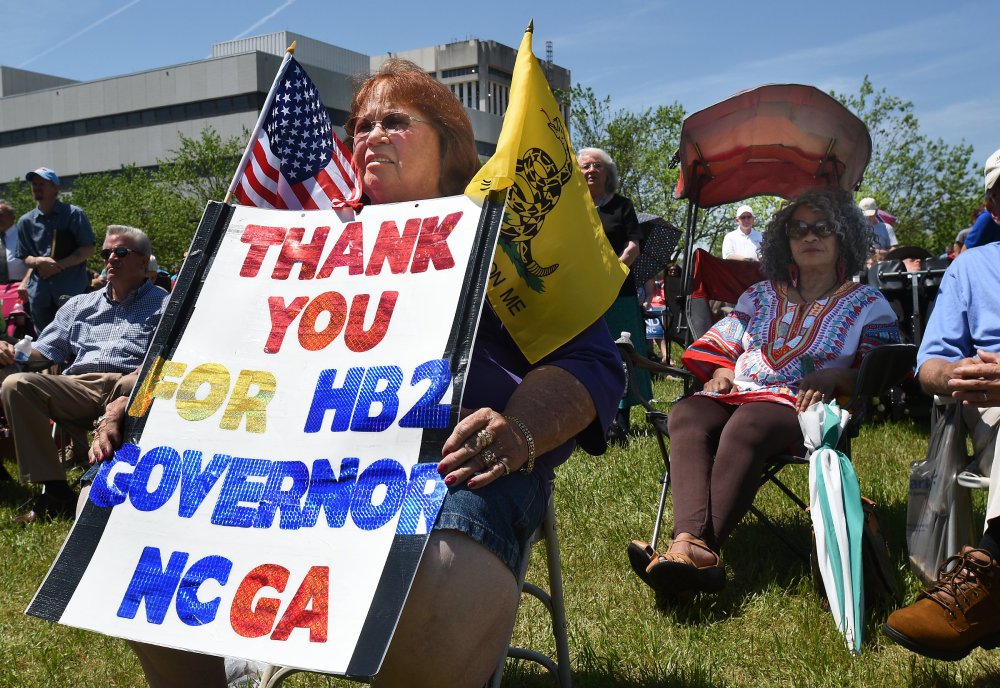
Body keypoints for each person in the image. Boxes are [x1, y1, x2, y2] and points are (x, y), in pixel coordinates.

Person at [92, 60, 624, 688]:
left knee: (441, 565)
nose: (371, 135)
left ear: (451, 145)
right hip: (290, 467)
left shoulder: (503, 240)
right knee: (113, 505)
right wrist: (135, 404)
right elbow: (214, 345)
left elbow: (590, 361)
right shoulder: (304, 244)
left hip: (456, 466)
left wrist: (521, 428)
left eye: (395, 122)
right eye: (362, 125)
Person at [632, 187, 899, 601]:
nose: (810, 236)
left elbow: (880, 371)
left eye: (822, 228)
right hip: (740, 391)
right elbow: (726, 344)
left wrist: (835, 378)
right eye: (799, 229)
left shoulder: (868, 302)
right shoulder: (759, 295)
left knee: (749, 422)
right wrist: (721, 371)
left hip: (809, 408)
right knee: (687, 412)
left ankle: (691, 551)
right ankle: (690, 546)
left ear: (843, 235)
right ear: (785, 242)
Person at [883, 147, 1000, 661]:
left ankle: (989, 578)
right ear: (993, 206)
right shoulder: (970, 268)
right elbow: (928, 364)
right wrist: (954, 374)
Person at [0, 225, 168, 523]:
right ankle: (54, 491)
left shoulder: (165, 303)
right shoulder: (81, 303)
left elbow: (167, 357)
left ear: (143, 262)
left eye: (121, 252)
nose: (111, 259)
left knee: (136, 381)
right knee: (16, 383)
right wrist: (14, 351)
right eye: (106, 253)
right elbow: (42, 352)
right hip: (79, 384)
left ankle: (102, 478)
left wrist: (141, 374)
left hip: (130, 382)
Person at [577, 146, 651, 438]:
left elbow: (634, 244)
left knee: (623, 349)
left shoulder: (622, 206)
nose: (591, 170)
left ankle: (621, 417)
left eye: (597, 165)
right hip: (583, 290)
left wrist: (615, 271)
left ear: (608, 173)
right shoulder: (572, 207)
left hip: (619, 290)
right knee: (590, 350)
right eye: (585, 166)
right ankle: (590, 414)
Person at [15, 167, 96, 331]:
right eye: (34, 184)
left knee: (76, 339)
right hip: (40, 294)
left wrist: (58, 265)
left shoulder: (73, 214)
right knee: (44, 344)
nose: (36, 187)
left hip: (70, 290)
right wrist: (39, 261)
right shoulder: (25, 221)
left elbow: (88, 248)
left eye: (42, 183)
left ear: (56, 188)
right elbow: (24, 257)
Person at [859, 196, 898, 261]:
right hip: (861, 266)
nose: (868, 217)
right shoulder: (857, 228)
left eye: (870, 215)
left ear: (876, 211)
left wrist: (879, 252)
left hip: (881, 265)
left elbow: (894, 249)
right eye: (865, 215)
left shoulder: (887, 227)